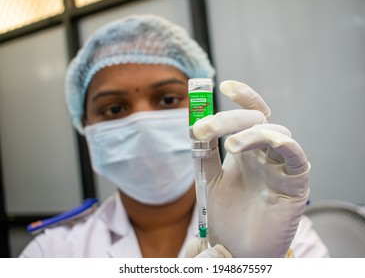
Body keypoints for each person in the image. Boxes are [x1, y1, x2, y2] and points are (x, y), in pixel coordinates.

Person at [19, 14, 329, 258]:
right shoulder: (51, 254)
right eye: (114, 108)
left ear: (202, 108)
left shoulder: (280, 233)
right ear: (85, 124)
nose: (143, 122)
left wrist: (259, 267)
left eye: (167, 100)